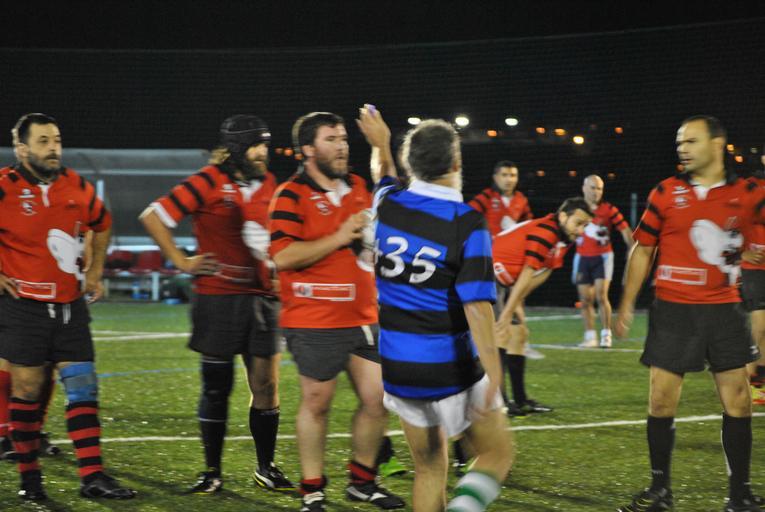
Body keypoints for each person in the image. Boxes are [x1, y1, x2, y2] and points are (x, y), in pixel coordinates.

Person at [615, 115, 764, 512]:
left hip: (726, 310)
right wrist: (626, 302)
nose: (682, 148)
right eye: (679, 142)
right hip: (673, 311)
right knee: (661, 401)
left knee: (739, 401)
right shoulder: (665, 191)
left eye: (691, 141)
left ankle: (739, 496)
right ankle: (659, 492)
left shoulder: (750, 192)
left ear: (717, 145)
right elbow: (643, 249)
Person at [140, 115, 294, 494]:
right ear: (237, 148)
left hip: (262, 300)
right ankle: (212, 472)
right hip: (218, 299)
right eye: (256, 145)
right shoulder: (206, 181)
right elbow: (154, 217)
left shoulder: (269, 184)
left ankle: (266, 467)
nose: (264, 152)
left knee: (266, 385)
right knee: (216, 388)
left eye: (265, 145)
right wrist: (182, 261)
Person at [372, 118, 514, 512]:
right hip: (448, 366)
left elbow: (382, 175)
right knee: (497, 454)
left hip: (398, 367)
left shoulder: (386, 205)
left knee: (429, 468)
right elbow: (477, 306)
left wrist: (380, 143)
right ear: (456, 162)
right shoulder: (466, 222)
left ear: (410, 164)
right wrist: (494, 370)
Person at [268, 109, 404, 512]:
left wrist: (382, 144)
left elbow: (392, 191)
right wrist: (340, 235)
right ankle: (312, 489)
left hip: (364, 316)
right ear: (308, 149)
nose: (342, 146)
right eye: (332, 139)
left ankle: (363, 481)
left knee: (378, 399)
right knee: (317, 402)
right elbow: (283, 256)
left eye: (344, 138)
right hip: (314, 319)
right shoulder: (290, 195)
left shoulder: (359, 186)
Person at [0, 113, 135, 500]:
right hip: (23, 306)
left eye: (56, 140)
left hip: (70, 307)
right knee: (27, 392)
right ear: (22, 149)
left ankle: (92, 477)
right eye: (43, 141)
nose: (53, 148)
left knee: (83, 388)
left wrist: (95, 271)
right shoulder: (4, 187)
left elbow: (102, 223)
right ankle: (30, 480)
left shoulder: (77, 185)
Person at [493, 198, 593, 417]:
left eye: (585, 225)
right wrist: (508, 311)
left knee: (519, 334)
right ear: (563, 216)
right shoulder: (546, 232)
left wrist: (515, 303)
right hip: (485, 275)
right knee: (500, 335)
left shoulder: (563, 239)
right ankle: (498, 402)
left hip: (504, 283)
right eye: (578, 223)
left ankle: (521, 401)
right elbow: (528, 271)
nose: (581, 231)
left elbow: (545, 270)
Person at [574, 175, 633, 348]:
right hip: (582, 257)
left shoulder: (609, 209)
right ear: (584, 188)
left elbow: (625, 230)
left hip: (603, 257)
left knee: (601, 295)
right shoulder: (575, 209)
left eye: (599, 188)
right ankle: (590, 336)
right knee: (585, 299)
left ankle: (606, 334)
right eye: (593, 187)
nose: (596, 192)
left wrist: (631, 248)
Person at [742, 163, 765, 405]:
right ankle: (749, 381)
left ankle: (760, 384)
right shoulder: (750, 186)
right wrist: (742, 254)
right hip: (755, 269)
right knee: (759, 327)